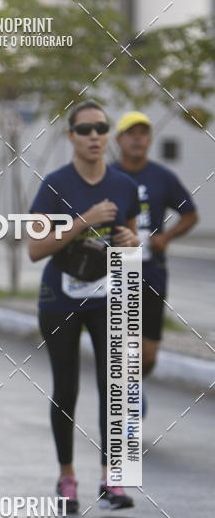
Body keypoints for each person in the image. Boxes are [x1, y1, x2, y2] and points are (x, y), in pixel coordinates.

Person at [28, 100, 140, 514]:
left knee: (115, 389)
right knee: (67, 388)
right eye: (85, 129)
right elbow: (35, 249)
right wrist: (83, 220)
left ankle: (113, 479)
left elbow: (130, 240)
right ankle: (67, 476)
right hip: (60, 298)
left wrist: (132, 243)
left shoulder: (124, 186)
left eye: (101, 128)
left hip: (108, 296)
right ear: (71, 136)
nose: (94, 136)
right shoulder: (55, 184)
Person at [112, 111, 198, 413]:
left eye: (143, 133)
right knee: (121, 347)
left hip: (151, 272)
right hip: (114, 274)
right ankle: (122, 401)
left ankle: (134, 384)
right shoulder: (107, 175)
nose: (138, 138)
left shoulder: (162, 177)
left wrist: (167, 236)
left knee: (147, 355)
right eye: (131, 133)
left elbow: (190, 213)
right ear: (119, 140)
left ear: (148, 141)